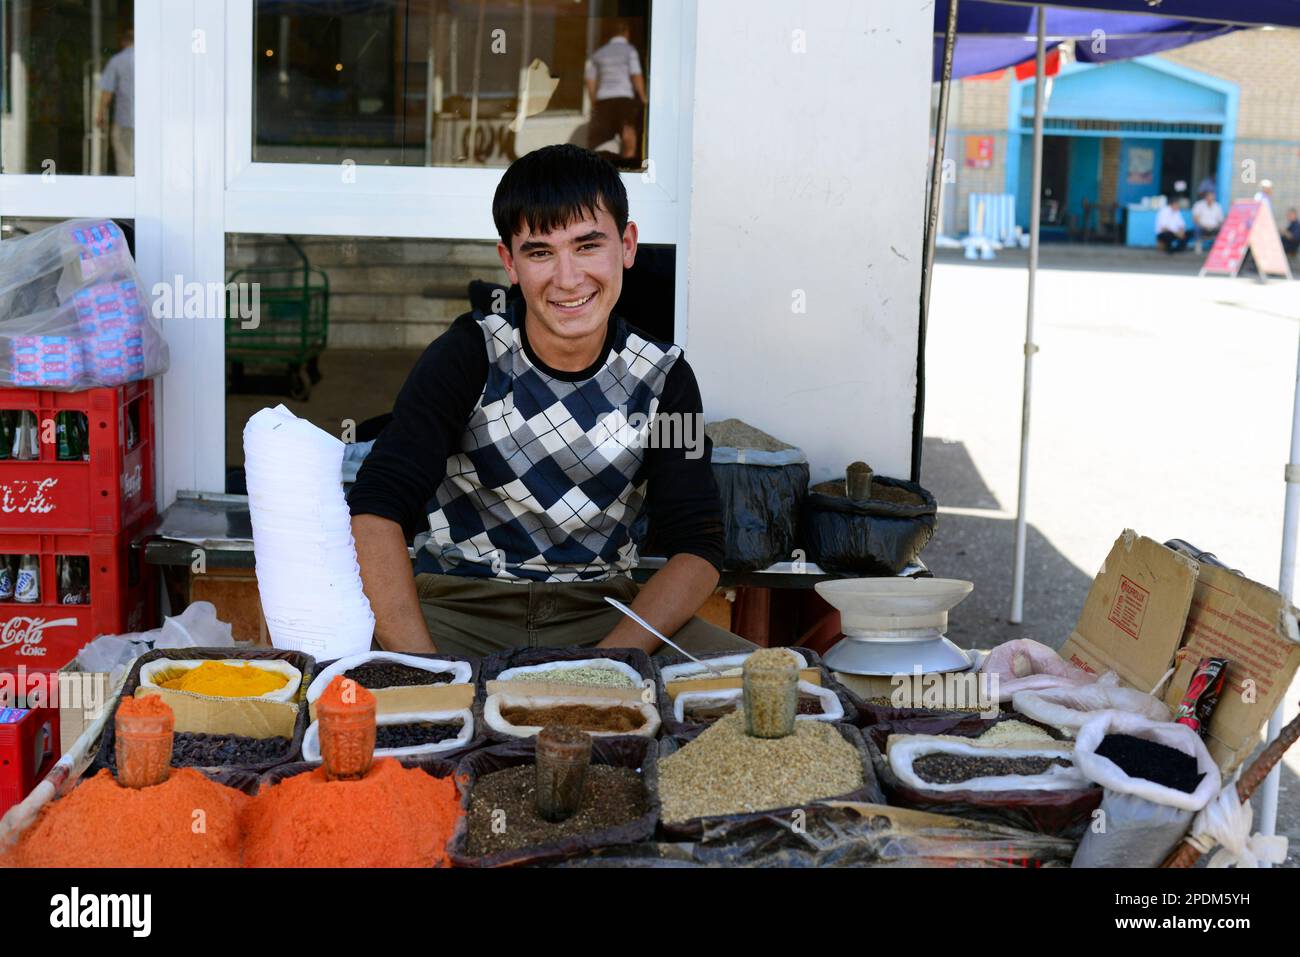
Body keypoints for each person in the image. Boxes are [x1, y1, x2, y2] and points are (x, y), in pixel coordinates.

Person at [348, 145, 753, 661]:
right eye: (540, 252)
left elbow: (697, 545)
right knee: (332, 694)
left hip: (606, 612)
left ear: (627, 246)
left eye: (587, 246)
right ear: (509, 263)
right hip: (459, 606)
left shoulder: (666, 379)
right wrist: (423, 670)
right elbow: (378, 507)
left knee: (772, 693)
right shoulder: (468, 354)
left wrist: (608, 667)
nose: (567, 277)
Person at [584, 20, 647, 166]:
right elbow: (636, 74)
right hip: (624, 99)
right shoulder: (630, 50)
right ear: (627, 33)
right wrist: (643, 97)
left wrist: (594, 101)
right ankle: (628, 167)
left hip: (604, 100)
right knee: (628, 137)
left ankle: (602, 172)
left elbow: (590, 80)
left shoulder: (599, 53)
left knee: (602, 140)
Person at [96, 27, 135, 176]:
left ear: (123, 42)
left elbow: (107, 91)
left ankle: (127, 196)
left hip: (124, 120)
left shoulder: (117, 61)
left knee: (125, 164)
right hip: (147, 123)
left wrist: (100, 114)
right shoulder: (150, 59)